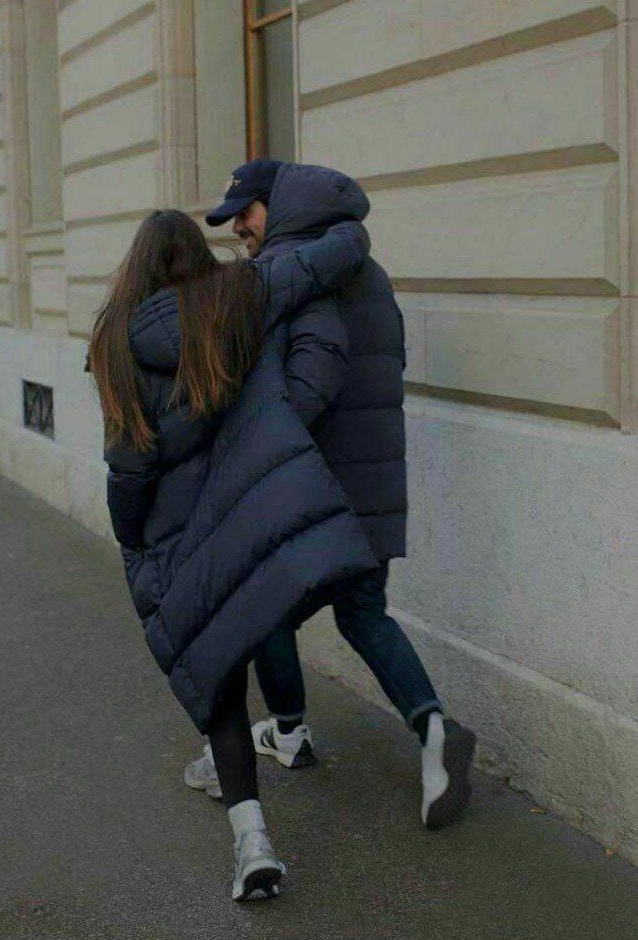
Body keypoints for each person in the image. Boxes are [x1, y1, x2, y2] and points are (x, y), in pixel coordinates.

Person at [89, 207, 378, 901]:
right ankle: (252, 763)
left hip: (175, 530)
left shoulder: (116, 341)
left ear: (136, 267)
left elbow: (130, 466)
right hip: (247, 511)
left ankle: (254, 843)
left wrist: (131, 536)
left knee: (216, 677)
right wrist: (322, 217)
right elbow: (340, 251)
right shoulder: (242, 295)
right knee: (247, 627)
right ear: (198, 256)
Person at [186, 160, 477, 832]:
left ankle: (289, 731)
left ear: (279, 205)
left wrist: (249, 449)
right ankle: (434, 731)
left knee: (262, 609)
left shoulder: (296, 274)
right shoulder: (367, 271)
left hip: (310, 486)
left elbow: (305, 385)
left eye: (245, 213)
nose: (239, 229)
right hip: (372, 479)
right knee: (363, 613)